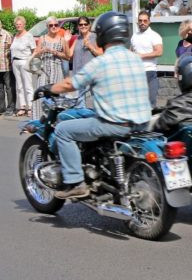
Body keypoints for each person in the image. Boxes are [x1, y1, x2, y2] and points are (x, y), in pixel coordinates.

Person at [34, 11, 152, 199]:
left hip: (113, 125)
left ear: (104, 34)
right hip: (142, 123)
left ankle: (76, 182)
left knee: (63, 130)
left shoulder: (101, 62)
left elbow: (71, 83)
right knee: (87, 116)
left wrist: (49, 89)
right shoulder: (135, 59)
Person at [31, 17, 69, 119]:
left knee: (56, 95)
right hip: (44, 70)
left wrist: (55, 52)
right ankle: (39, 119)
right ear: (47, 27)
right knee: (41, 93)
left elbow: (67, 56)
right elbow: (36, 54)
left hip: (57, 70)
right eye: (51, 25)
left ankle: (55, 119)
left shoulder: (62, 40)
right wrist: (42, 51)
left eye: (56, 25)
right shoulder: (42, 38)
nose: (53, 27)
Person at [67, 16, 102, 108]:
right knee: (80, 104)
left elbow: (101, 54)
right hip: (79, 75)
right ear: (78, 26)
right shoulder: (77, 39)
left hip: (92, 75)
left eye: (85, 24)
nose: (83, 26)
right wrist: (66, 41)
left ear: (89, 25)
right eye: (81, 24)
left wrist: (90, 46)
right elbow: (69, 55)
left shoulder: (95, 37)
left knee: (97, 102)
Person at [131, 11, 163, 108]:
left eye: (145, 21)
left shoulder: (154, 35)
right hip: (136, 72)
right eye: (140, 21)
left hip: (149, 71)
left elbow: (159, 52)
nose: (142, 23)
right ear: (137, 22)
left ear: (149, 22)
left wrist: (142, 56)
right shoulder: (134, 35)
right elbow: (131, 50)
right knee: (137, 104)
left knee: (150, 104)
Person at [10, 16, 36, 117]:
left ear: (24, 25)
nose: (18, 26)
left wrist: (30, 61)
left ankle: (30, 107)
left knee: (28, 86)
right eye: (17, 24)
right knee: (19, 86)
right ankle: (22, 106)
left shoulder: (29, 36)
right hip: (15, 62)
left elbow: (34, 50)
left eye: (20, 24)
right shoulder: (15, 36)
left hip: (25, 61)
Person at [0, 20, 15, 116]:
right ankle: (1, 108)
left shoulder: (7, 35)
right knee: (0, 89)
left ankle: (11, 107)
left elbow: (13, 49)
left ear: (1, 25)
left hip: (7, 66)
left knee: (9, 88)